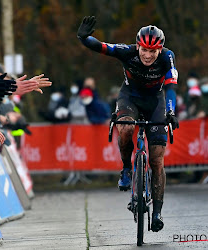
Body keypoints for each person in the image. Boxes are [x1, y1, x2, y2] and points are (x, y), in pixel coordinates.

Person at [77, 16, 179, 232]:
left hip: (156, 102)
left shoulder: (168, 57)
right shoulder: (127, 51)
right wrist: (83, 37)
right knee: (125, 128)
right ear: (138, 45)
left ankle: (158, 212)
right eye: (145, 50)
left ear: (160, 50)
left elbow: (170, 88)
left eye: (153, 51)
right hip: (129, 98)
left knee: (157, 159)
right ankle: (126, 169)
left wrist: (170, 112)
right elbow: (102, 47)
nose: (148, 55)